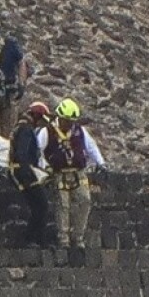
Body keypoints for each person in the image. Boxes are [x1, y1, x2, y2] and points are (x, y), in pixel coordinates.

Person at [36, 98, 107, 250]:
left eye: (72, 121)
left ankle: (78, 237)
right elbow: (38, 151)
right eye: (67, 121)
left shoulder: (79, 131)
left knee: (84, 200)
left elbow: (91, 147)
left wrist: (101, 163)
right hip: (59, 173)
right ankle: (63, 239)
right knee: (63, 205)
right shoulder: (47, 131)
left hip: (78, 172)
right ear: (60, 118)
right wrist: (44, 167)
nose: (70, 124)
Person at [9, 101, 53, 246]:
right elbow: (22, 154)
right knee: (41, 205)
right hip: (24, 172)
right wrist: (30, 172)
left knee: (37, 206)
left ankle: (34, 239)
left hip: (21, 170)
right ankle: (34, 239)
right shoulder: (26, 130)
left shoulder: (20, 127)